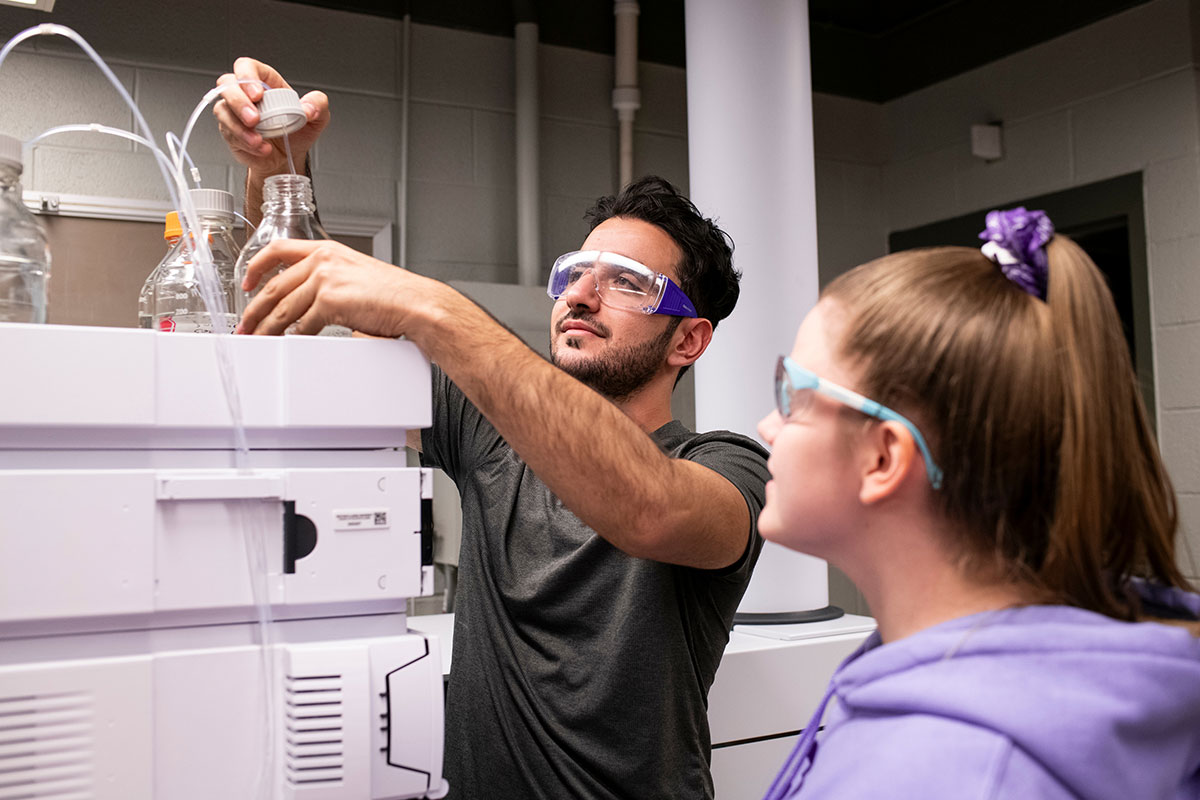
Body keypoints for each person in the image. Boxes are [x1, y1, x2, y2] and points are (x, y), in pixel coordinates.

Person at [214, 61, 770, 799]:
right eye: (576, 272)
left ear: (688, 340)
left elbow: (650, 507)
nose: (581, 295)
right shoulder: (492, 433)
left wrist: (436, 310)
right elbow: (311, 320)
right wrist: (279, 170)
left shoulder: (730, 468)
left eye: (626, 282)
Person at [755, 207, 1200, 799]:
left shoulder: (951, 774)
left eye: (794, 395)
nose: (767, 426)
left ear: (883, 457)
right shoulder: (943, 682)